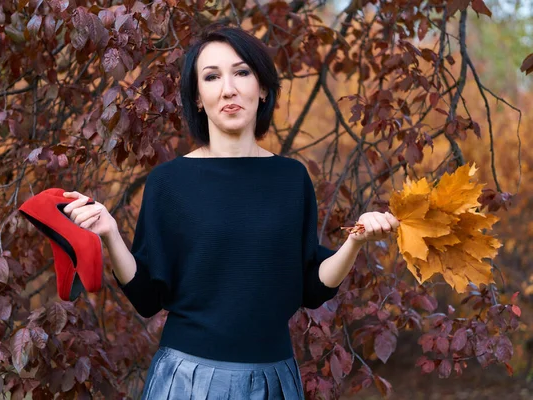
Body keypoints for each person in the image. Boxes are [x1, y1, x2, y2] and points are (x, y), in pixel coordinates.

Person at [61, 26, 399, 399]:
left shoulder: (291, 178)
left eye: (242, 72)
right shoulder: (168, 183)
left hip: (274, 380)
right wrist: (109, 232)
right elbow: (146, 298)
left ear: (263, 88)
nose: (228, 89)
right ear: (198, 98)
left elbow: (312, 287)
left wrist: (355, 242)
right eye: (211, 77)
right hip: (188, 381)